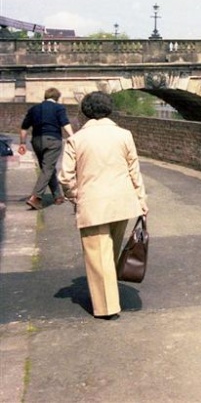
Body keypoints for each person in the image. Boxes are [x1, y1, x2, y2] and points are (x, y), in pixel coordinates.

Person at [59, 91, 149, 320]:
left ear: (85, 112)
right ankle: (110, 295)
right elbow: (134, 170)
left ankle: (107, 307)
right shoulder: (124, 135)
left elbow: (65, 177)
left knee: (98, 257)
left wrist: (75, 196)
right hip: (123, 202)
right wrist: (141, 199)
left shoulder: (77, 139)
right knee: (109, 253)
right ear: (109, 109)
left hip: (93, 204)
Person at [19, 87, 74, 209]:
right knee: (47, 168)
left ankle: (57, 196)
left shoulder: (34, 109)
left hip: (37, 141)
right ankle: (35, 197)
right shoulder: (59, 108)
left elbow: (24, 128)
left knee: (47, 167)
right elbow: (65, 123)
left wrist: (22, 143)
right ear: (57, 98)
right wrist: (74, 137)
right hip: (52, 140)